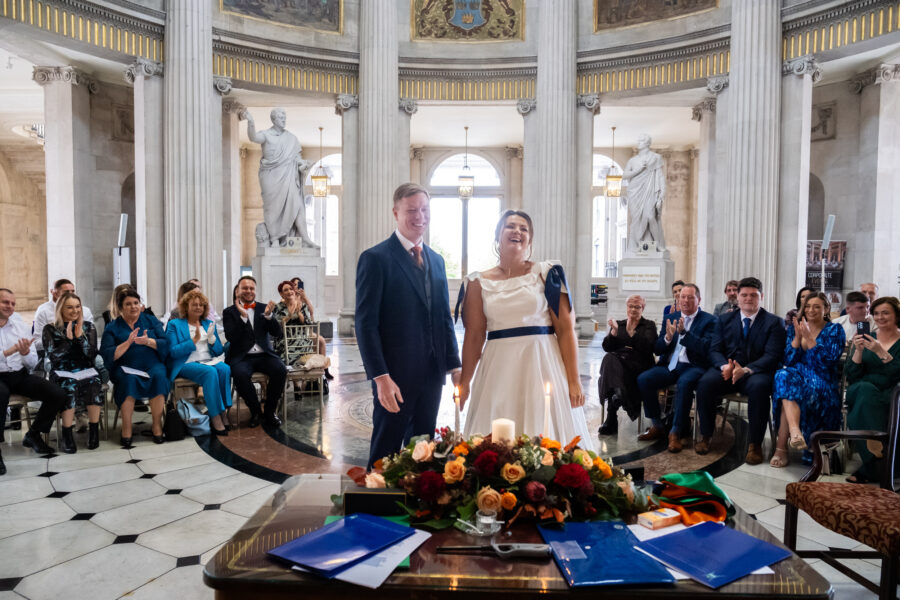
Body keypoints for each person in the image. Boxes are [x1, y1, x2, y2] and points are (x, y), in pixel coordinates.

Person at [457, 210, 595, 452]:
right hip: (497, 368)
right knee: (495, 435)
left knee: (543, 430)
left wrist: (574, 381)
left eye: (524, 229)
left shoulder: (546, 273)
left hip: (541, 362)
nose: (517, 231)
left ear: (530, 240)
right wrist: (466, 381)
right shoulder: (478, 282)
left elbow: (565, 329)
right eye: (510, 226)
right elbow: (474, 336)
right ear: (498, 235)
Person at [355, 183, 461, 469]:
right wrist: (380, 377)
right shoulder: (375, 259)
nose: (420, 216)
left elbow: (443, 319)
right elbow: (365, 324)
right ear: (396, 212)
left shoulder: (437, 261)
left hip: (432, 374)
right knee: (385, 452)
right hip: (394, 377)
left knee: (423, 451)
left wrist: (454, 365)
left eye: (424, 209)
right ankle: (373, 508)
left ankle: (415, 504)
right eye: (412, 210)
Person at [695, 277, 787, 464]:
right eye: (744, 295)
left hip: (755, 372)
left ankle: (755, 444)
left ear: (761, 296)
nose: (748, 299)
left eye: (753, 295)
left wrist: (745, 370)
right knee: (705, 383)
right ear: (737, 297)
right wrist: (725, 366)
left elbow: (772, 355)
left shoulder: (774, 322)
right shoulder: (724, 320)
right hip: (728, 369)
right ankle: (706, 435)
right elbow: (714, 349)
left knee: (760, 388)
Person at [635, 284, 716, 452]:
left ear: (698, 300)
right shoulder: (670, 317)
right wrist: (667, 337)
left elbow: (705, 348)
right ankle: (657, 425)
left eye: (690, 297)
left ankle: (675, 432)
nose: (685, 300)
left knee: (685, 384)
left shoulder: (709, 320)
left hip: (694, 366)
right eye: (682, 297)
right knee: (644, 379)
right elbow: (657, 349)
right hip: (670, 365)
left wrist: (685, 333)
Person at [770, 293, 845, 468]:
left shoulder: (834, 330)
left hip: (823, 380)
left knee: (788, 394)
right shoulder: (794, 328)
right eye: (808, 306)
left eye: (817, 306)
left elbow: (827, 363)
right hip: (798, 375)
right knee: (782, 375)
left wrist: (810, 339)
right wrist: (797, 338)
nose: (811, 310)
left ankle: (781, 449)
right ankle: (795, 432)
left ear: (826, 309)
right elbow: (788, 361)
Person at [0, 288, 66, 470]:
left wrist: (25, 353)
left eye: (13, 303)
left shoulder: (19, 324)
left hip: (19, 374)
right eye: (5, 302)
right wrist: (7, 352)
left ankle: (34, 434)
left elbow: (32, 363)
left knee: (57, 393)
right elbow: (6, 353)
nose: (10, 307)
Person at [100, 289, 169, 448]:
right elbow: (107, 354)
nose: (133, 307)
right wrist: (128, 342)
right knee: (128, 380)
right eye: (128, 304)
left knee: (159, 375)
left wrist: (148, 342)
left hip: (152, 364)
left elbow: (165, 343)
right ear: (121, 307)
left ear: (140, 304)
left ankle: (157, 426)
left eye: (136, 303)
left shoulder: (151, 321)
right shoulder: (112, 327)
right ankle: (126, 428)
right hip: (126, 367)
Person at [243, 107, 318, 248]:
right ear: (273, 119)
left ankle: (305, 237)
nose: (284, 120)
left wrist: (302, 165)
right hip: (271, 177)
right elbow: (253, 137)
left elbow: (297, 158)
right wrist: (251, 122)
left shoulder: (291, 138)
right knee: (272, 209)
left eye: (285, 118)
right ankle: (275, 238)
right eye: (281, 118)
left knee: (298, 205)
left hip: (288, 176)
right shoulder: (266, 135)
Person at [844, 296, 900, 484]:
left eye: (885, 313)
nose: (880, 317)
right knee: (864, 391)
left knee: (865, 401)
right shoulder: (868, 337)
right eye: (876, 313)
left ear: (896, 315)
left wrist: (880, 351)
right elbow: (851, 374)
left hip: (892, 392)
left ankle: (873, 465)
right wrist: (859, 350)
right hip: (862, 389)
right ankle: (884, 462)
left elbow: (896, 373)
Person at [42, 292, 104, 452]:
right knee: (68, 385)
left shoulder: (88, 326)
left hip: (84, 368)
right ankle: (67, 434)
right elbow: (53, 357)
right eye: (69, 307)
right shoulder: (50, 329)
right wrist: (68, 341)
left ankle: (94, 431)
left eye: (77, 307)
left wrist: (79, 338)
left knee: (94, 382)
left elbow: (91, 354)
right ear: (61, 309)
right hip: (62, 371)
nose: (74, 310)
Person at [223, 276, 287, 429]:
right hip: (242, 357)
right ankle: (256, 411)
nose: (248, 291)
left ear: (255, 290)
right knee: (239, 374)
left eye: (251, 288)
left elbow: (277, 333)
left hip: (264, 355)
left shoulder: (263, 308)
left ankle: (270, 412)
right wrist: (243, 317)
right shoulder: (229, 312)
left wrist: (269, 316)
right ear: (238, 290)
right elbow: (231, 337)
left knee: (280, 370)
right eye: (245, 288)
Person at [166, 289, 232, 436]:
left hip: (208, 360)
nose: (198, 307)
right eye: (194, 304)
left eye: (201, 305)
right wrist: (193, 340)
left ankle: (223, 411)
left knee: (225, 369)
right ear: (186, 306)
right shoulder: (175, 325)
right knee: (210, 373)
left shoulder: (208, 323)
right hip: (186, 363)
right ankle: (216, 417)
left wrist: (212, 340)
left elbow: (219, 351)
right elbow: (172, 352)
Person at [596, 295, 657, 436]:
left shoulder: (649, 325)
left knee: (612, 364)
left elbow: (648, 348)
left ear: (643, 308)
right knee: (609, 358)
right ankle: (617, 395)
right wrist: (614, 333)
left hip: (639, 364)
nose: (633, 309)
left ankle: (612, 415)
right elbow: (607, 347)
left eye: (637, 307)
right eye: (630, 306)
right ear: (626, 307)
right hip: (619, 364)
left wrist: (632, 334)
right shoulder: (620, 324)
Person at [622, 133, 666, 252]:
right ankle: (636, 245)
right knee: (636, 219)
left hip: (650, 190)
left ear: (647, 143)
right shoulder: (633, 160)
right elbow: (624, 175)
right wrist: (638, 170)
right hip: (635, 191)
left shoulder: (655, 158)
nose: (638, 143)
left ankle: (658, 244)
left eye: (641, 141)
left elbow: (660, 176)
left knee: (650, 216)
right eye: (638, 141)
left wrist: (662, 194)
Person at [32, 278, 94, 352]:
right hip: (54, 353)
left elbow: (91, 342)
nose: (70, 294)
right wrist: (60, 340)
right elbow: (37, 343)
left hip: (82, 350)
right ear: (54, 293)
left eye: (73, 291)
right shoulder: (43, 311)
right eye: (66, 292)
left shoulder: (85, 311)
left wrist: (78, 338)